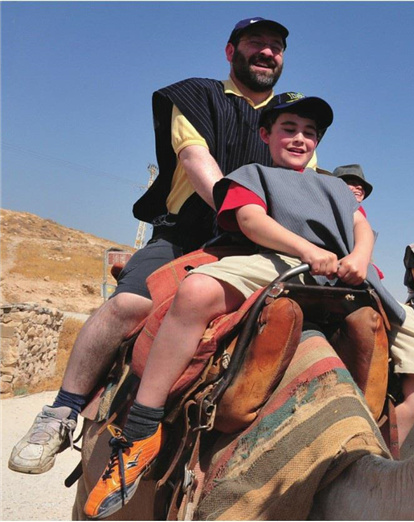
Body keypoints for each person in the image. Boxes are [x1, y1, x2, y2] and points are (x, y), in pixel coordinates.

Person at [83, 93, 414, 518]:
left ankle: (377, 453)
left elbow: (362, 229)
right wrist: (306, 250)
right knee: (197, 291)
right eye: (289, 129)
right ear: (266, 134)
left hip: (344, 274)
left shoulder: (334, 186)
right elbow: (251, 221)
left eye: (309, 133)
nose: (299, 138)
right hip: (275, 260)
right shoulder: (249, 174)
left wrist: (359, 258)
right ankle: (142, 431)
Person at [9, 17, 298, 476]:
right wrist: (238, 210)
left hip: (259, 245)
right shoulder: (196, 94)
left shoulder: (291, 120)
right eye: (256, 43)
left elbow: (303, 186)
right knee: (127, 305)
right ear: (230, 52)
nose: (267, 52)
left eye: (276, 47)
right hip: (191, 232)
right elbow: (194, 158)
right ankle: (62, 411)